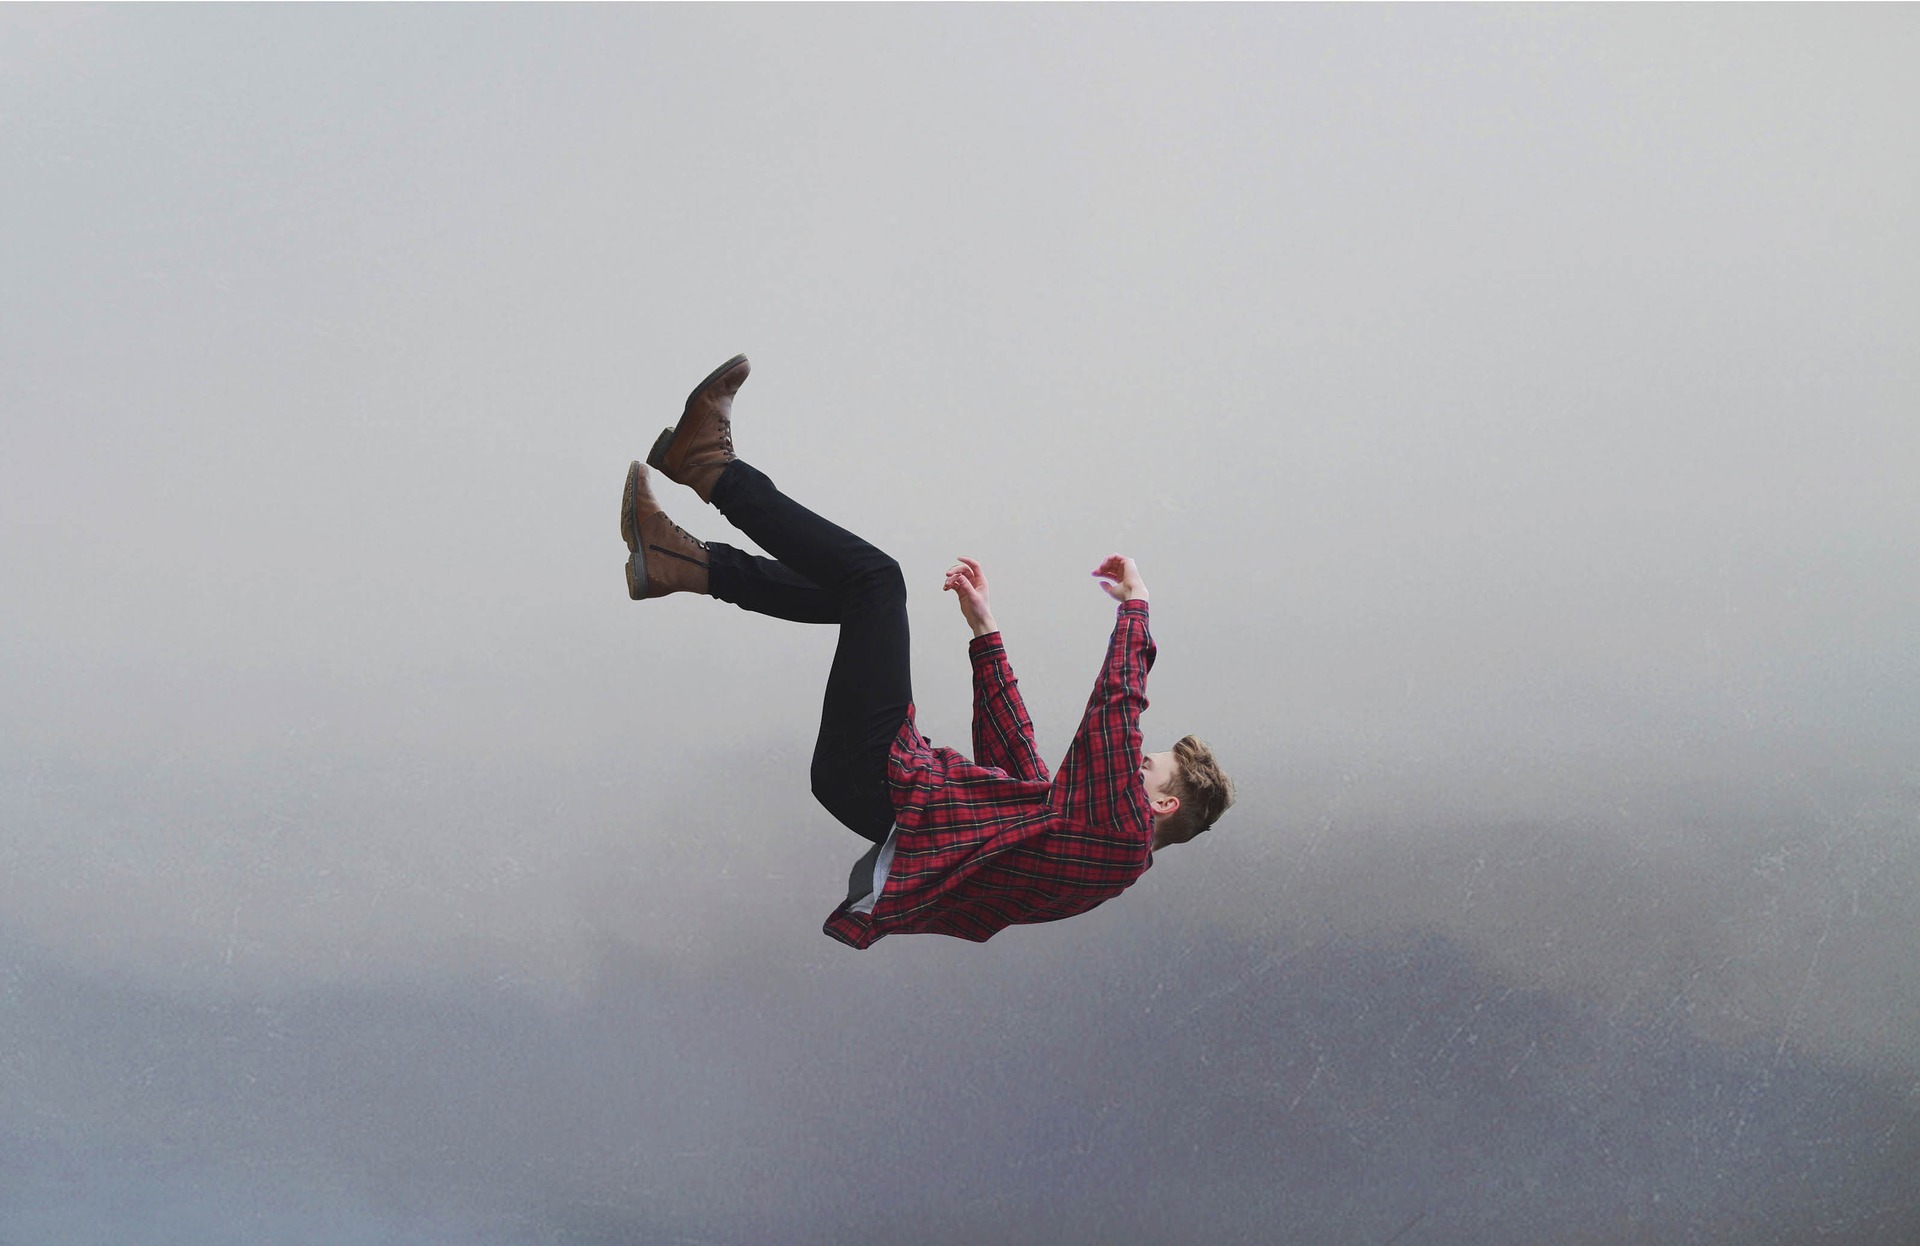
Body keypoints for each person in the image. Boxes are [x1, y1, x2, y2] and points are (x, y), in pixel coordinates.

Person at [621, 355, 1234, 948]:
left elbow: (1113, 714)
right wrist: (986, 635)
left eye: (1146, 765)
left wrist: (1136, 609)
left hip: (884, 779)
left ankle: (708, 467)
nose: (1133, 760)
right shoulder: (1094, 848)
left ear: (1163, 803)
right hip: (875, 785)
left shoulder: (1121, 835)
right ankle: (679, 562)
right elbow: (1020, 778)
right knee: (854, 593)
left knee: (875, 579)